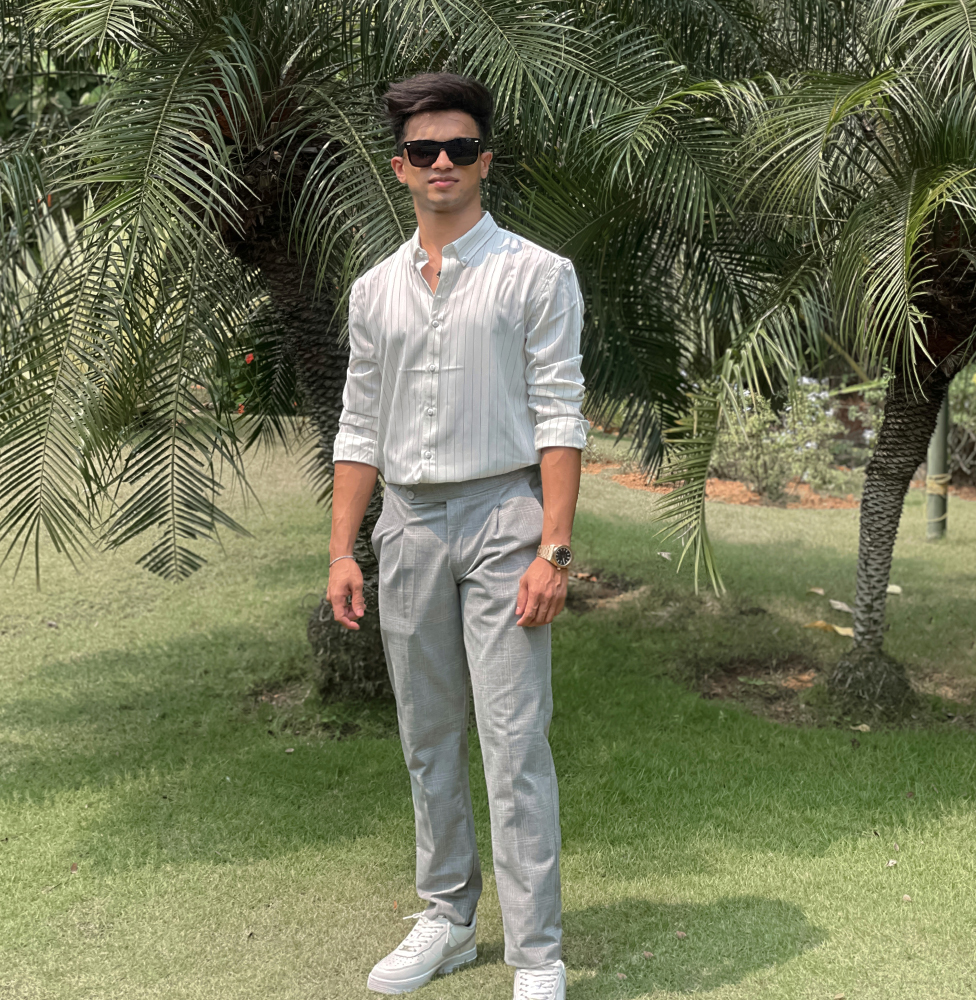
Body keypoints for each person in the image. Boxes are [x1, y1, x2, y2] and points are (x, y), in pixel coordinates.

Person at [327, 71, 587, 1000]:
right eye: (425, 151)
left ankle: (537, 955)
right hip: (405, 525)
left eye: (461, 148)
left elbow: (560, 417)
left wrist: (553, 548)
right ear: (400, 168)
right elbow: (359, 426)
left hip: (503, 518)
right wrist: (340, 551)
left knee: (515, 740)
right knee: (428, 733)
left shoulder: (537, 275)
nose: (444, 163)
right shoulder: (373, 292)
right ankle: (445, 918)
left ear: (485, 160)